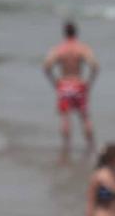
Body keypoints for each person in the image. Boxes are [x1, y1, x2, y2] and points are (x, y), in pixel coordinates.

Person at [42, 21, 99, 157]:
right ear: (76, 32)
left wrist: (55, 83)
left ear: (64, 33)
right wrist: (89, 83)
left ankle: (66, 148)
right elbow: (95, 66)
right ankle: (91, 147)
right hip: (78, 83)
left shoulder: (58, 49)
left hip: (65, 84)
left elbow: (46, 67)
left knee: (65, 118)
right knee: (84, 117)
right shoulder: (82, 48)